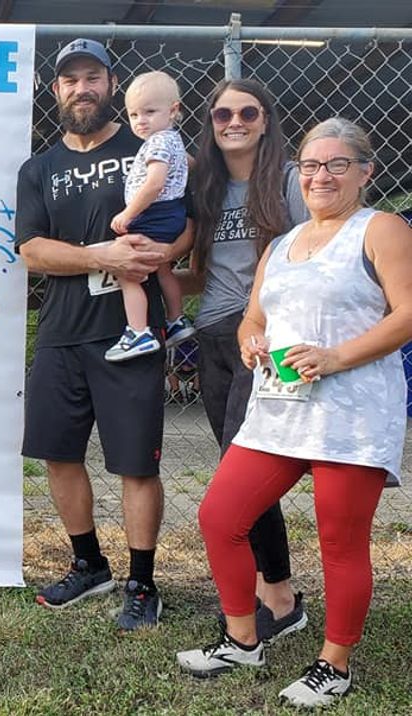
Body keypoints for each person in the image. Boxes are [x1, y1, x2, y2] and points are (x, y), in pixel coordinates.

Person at [177, 118, 412, 708]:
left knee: (340, 540)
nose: (320, 176)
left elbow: (407, 314)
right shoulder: (283, 242)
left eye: (336, 164)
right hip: (279, 410)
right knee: (220, 516)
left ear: (365, 172)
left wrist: (335, 357)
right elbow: (253, 316)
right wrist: (252, 338)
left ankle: (334, 664)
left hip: (350, 416)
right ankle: (242, 637)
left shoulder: (380, 229)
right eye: (310, 166)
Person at [15, 39, 191, 630]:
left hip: (130, 333)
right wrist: (104, 256)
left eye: (93, 77)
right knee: (58, 453)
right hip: (63, 331)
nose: (81, 88)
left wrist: (159, 253)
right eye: (70, 80)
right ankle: (89, 564)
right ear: (56, 90)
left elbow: (186, 222)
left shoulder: (147, 142)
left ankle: (142, 582)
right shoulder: (38, 168)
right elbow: (33, 251)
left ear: (111, 85)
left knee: (137, 463)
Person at [184, 78, 311, 644]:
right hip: (212, 333)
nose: (233, 122)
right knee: (236, 469)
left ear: (265, 120)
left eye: (247, 112)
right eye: (221, 114)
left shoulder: (287, 182)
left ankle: (278, 597)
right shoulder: (205, 187)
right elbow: (198, 272)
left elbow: (315, 258)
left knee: (243, 472)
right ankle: (275, 592)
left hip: (264, 342)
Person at [106, 71, 194, 362]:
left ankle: (138, 332)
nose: (141, 120)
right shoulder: (173, 140)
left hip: (153, 215)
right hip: (171, 214)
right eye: (133, 114)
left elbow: (154, 184)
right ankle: (176, 319)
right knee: (163, 267)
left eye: (149, 111)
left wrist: (128, 214)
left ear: (174, 110)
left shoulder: (157, 143)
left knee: (127, 271)